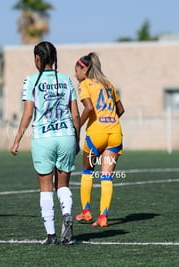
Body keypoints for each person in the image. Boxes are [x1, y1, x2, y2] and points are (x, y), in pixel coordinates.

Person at [10, 41, 80, 245]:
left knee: (46, 188)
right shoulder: (67, 80)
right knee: (64, 185)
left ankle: (51, 235)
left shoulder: (30, 81)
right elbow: (75, 115)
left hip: (43, 139)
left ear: (37, 59)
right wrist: (76, 140)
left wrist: (16, 140)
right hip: (66, 136)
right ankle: (67, 214)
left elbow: (28, 113)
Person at [74, 52, 124, 227]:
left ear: (84, 69)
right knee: (106, 177)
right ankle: (103, 217)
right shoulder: (108, 84)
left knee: (87, 172)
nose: (75, 74)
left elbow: (88, 107)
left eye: (77, 70)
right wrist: (109, 118)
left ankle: (86, 212)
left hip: (96, 135)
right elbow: (121, 109)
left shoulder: (85, 84)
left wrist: (77, 126)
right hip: (115, 134)